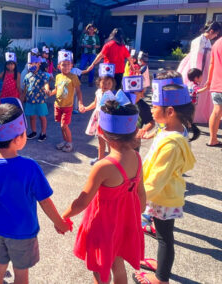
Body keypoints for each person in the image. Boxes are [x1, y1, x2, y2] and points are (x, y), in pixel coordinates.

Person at [0, 98, 71, 284]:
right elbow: (45, 201)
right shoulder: (30, 167)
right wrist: (59, 223)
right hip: (23, 233)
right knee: (21, 274)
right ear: (17, 139)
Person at [62, 97, 145, 284]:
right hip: (124, 223)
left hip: (103, 225)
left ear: (101, 132)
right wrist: (133, 218)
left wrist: (64, 216)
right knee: (118, 263)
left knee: (100, 268)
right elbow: (141, 194)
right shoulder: (138, 159)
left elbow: (82, 202)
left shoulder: (103, 166)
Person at [133, 71, 199, 284]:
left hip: (162, 196)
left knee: (164, 238)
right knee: (163, 235)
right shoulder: (174, 129)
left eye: (155, 106)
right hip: (166, 195)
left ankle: (161, 278)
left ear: (170, 111)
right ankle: (161, 268)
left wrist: (137, 201)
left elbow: (155, 181)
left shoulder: (171, 144)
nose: (151, 109)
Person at [177, 21, 221, 123]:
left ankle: (199, 114)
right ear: (211, 31)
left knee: (203, 94)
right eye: (216, 33)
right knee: (195, 93)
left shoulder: (207, 41)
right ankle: (192, 115)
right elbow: (195, 58)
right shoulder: (198, 41)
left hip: (204, 68)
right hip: (197, 70)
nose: (216, 36)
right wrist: (196, 75)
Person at [50, 50, 84, 152]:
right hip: (58, 105)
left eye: (68, 64)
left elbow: (78, 91)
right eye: (63, 65)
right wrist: (49, 93)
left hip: (68, 106)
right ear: (59, 66)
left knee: (64, 125)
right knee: (62, 125)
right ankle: (64, 141)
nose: (66, 67)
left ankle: (69, 142)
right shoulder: (58, 77)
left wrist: (80, 103)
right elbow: (57, 90)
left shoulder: (73, 77)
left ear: (72, 65)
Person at [205, 22, 222, 152]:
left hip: (216, 83)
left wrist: (209, 82)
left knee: (216, 112)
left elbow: (212, 64)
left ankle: (212, 139)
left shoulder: (218, 42)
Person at [83, 74, 116, 164]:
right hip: (98, 118)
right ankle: (100, 159)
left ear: (112, 85)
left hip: (106, 120)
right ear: (99, 83)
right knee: (100, 140)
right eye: (104, 83)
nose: (106, 85)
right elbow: (95, 103)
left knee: (109, 141)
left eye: (109, 83)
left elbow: (114, 108)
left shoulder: (111, 96)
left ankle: (110, 161)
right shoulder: (98, 92)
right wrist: (86, 108)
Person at [22, 52, 50, 142]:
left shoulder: (43, 75)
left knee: (42, 116)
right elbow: (25, 88)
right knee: (32, 116)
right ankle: (33, 131)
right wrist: (22, 98)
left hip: (40, 100)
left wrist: (47, 89)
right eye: (29, 63)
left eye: (33, 63)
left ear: (39, 63)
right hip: (30, 100)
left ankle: (43, 133)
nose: (31, 65)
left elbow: (46, 83)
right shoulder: (27, 76)